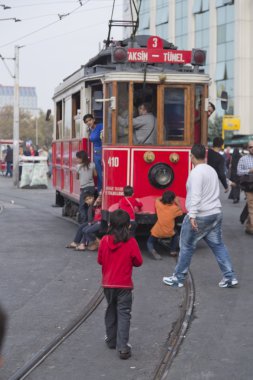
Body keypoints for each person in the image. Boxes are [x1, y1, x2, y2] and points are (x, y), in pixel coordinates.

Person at [163, 144, 238, 288]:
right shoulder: (211, 170)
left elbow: (196, 195)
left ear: (191, 156)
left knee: (186, 246)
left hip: (201, 215)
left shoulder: (196, 173)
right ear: (205, 155)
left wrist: (192, 216)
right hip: (215, 213)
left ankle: (178, 278)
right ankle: (229, 277)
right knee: (218, 245)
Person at [97, 209, 143, 360]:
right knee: (124, 313)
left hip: (108, 284)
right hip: (124, 285)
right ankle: (123, 347)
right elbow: (138, 262)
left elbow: (100, 260)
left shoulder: (104, 240)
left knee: (110, 310)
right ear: (129, 226)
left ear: (110, 224)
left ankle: (111, 341)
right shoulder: (131, 242)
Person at [147, 190, 183, 260]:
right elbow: (181, 212)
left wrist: (163, 197)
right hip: (169, 232)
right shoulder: (174, 208)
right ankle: (173, 250)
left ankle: (153, 250)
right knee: (176, 236)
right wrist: (177, 202)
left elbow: (157, 199)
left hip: (157, 231)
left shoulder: (159, 205)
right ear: (173, 201)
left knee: (149, 242)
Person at [83, 114, 103, 193]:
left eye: (90, 120)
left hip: (102, 151)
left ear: (93, 119)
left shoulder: (101, 126)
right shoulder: (90, 130)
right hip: (96, 153)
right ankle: (99, 191)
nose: (88, 122)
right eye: (86, 122)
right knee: (98, 174)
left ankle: (101, 191)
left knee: (103, 174)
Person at [76, 150, 96, 224]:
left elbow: (77, 177)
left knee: (82, 206)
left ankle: (84, 223)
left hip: (84, 189)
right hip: (91, 188)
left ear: (82, 158)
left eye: (77, 158)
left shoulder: (78, 167)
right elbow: (95, 174)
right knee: (89, 206)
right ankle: (90, 222)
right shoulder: (92, 164)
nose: (77, 160)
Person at [237, 140, 253, 235]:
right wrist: (249, 170)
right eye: (250, 147)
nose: (252, 148)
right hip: (249, 186)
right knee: (251, 205)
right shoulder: (243, 159)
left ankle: (249, 226)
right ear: (247, 148)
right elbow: (239, 172)